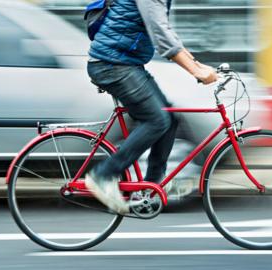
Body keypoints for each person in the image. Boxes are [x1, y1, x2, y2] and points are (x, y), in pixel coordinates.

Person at [85, 0, 218, 214]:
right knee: (157, 120)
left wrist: (197, 63)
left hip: (125, 64)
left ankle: (151, 188)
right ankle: (104, 175)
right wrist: (195, 71)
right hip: (112, 65)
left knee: (170, 118)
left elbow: (165, 31)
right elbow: (161, 36)